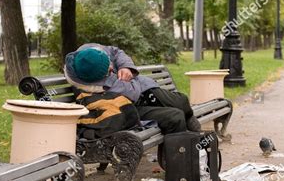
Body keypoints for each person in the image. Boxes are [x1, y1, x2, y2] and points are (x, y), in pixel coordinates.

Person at [64, 43, 201, 134]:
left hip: (144, 90)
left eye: (109, 63)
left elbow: (117, 53)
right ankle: (185, 153)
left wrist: (125, 67)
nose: (112, 68)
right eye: (108, 71)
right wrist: (133, 77)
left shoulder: (89, 52)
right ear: (98, 78)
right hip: (131, 106)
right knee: (175, 116)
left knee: (182, 101)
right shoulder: (94, 86)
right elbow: (133, 93)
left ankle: (191, 125)